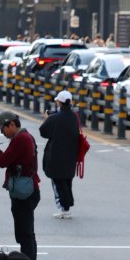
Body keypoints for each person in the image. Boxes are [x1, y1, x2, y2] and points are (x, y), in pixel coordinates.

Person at [0, 111, 40, 260]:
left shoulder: (21, 139)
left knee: (25, 234)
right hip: (25, 190)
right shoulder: (23, 137)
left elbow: (3, 161)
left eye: (3, 129)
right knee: (26, 233)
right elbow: (8, 158)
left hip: (24, 192)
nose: (3, 133)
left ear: (12, 124)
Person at [40, 89, 80, 219]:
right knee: (67, 180)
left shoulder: (55, 118)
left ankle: (64, 208)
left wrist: (47, 119)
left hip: (56, 155)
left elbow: (43, 132)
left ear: (59, 102)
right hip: (71, 154)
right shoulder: (74, 116)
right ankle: (67, 206)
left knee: (58, 182)